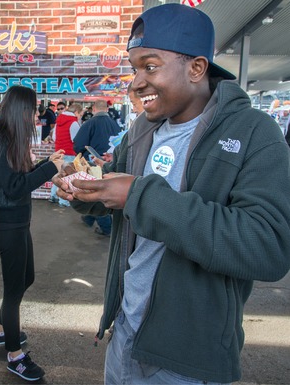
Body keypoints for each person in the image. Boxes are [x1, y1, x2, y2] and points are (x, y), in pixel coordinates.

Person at [53, 4, 290, 384]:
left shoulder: (254, 132)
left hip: (187, 358)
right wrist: (90, 193)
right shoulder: (141, 131)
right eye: (134, 69)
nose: (136, 82)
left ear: (196, 68)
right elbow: (130, 206)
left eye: (150, 66)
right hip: (125, 332)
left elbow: (268, 247)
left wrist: (138, 196)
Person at [0, 85, 64, 382]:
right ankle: (14, 355)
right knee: (13, 292)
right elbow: (14, 188)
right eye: (33, 108)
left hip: (18, 222)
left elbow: (16, 179)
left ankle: (0, 330)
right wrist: (49, 168)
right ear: (20, 111)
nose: (36, 114)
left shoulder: (9, 140)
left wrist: (46, 164)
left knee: (27, 278)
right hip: (7, 225)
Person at [73, 99, 121, 236]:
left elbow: (78, 144)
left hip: (93, 163)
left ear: (94, 109)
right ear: (106, 109)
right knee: (103, 192)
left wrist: (82, 156)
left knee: (96, 195)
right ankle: (88, 217)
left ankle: (106, 227)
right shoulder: (115, 124)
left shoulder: (89, 123)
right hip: (112, 165)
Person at [49, 103, 83, 207]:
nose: (80, 116)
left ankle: (53, 196)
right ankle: (63, 201)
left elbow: (54, 137)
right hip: (70, 152)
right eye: (80, 114)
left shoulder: (58, 121)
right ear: (76, 112)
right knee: (67, 177)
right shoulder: (73, 122)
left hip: (59, 152)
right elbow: (75, 139)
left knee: (58, 175)